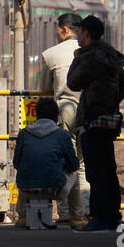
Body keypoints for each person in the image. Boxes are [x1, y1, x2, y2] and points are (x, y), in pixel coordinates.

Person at [66, 15, 124, 232]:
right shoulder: (107, 54)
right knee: (107, 171)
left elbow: (73, 83)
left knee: (95, 173)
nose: (77, 36)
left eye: (79, 32)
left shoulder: (92, 56)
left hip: (93, 121)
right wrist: (111, 102)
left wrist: (76, 58)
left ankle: (100, 219)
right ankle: (112, 217)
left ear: (86, 33)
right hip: (107, 120)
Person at [37, 13, 90, 227]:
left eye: (57, 31)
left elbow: (44, 90)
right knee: (85, 164)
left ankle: (66, 212)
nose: (57, 35)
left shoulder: (50, 54)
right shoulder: (91, 53)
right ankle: (85, 210)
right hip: (89, 111)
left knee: (66, 163)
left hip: (64, 112)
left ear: (64, 30)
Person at [12, 97, 79, 228]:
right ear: (57, 117)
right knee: (75, 176)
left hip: (27, 190)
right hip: (55, 190)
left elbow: (16, 164)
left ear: (36, 115)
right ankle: (77, 218)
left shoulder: (24, 134)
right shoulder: (62, 135)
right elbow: (74, 165)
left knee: (25, 172)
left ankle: (22, 216)